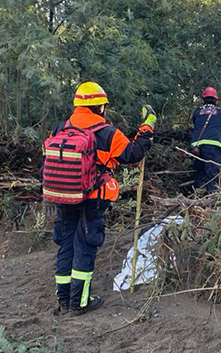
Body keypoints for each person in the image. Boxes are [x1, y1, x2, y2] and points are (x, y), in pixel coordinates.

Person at [46, 82, 156, 315]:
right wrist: (147, 128)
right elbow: (133, 153)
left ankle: (64, 301)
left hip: (63, 195)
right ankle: (79, 303)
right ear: (100, 107)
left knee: (66, 246)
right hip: (92, 197)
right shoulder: (106, 132)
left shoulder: (60, 129)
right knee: (85, 246)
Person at [190, 87, 221, 193]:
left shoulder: (197, 112)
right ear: (215, 100)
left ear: (203, 99)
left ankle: (197, 197)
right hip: (213, 145)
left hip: (196, 147)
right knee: (212, 174)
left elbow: (196, 124)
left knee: (199, 173)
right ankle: (212, 198)